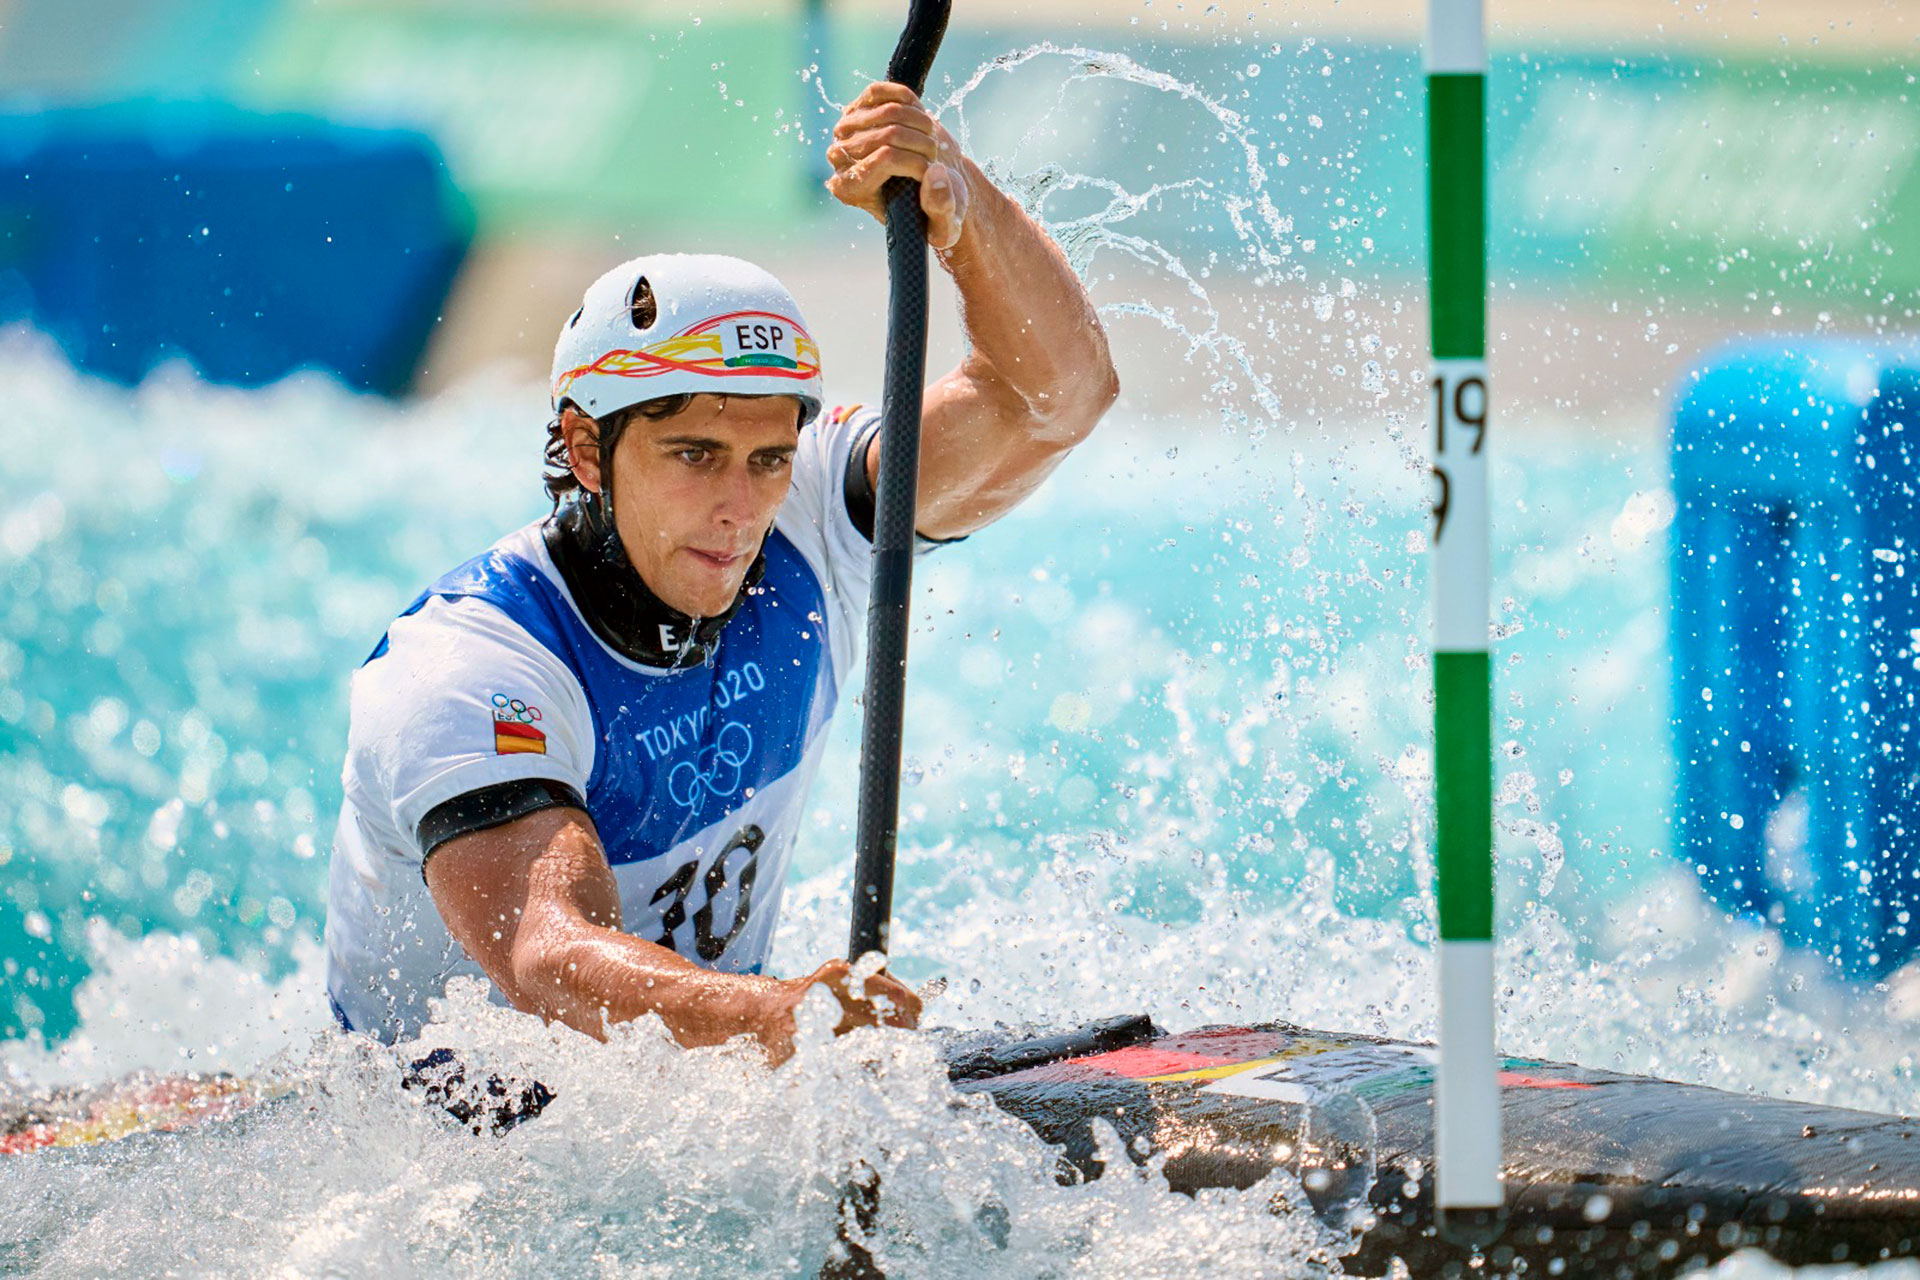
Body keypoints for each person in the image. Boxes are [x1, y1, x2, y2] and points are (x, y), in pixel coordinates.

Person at [323, 82, 1119, 1062]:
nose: (742, 508)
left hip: (715, 1086)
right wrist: (778, 1019)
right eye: (694, 455)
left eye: (767, 458)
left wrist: (962, 206)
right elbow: (545, 951)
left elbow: (1058, 398)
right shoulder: (467, 666)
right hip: (444, 1143)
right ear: (584, 448)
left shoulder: (813, 516)